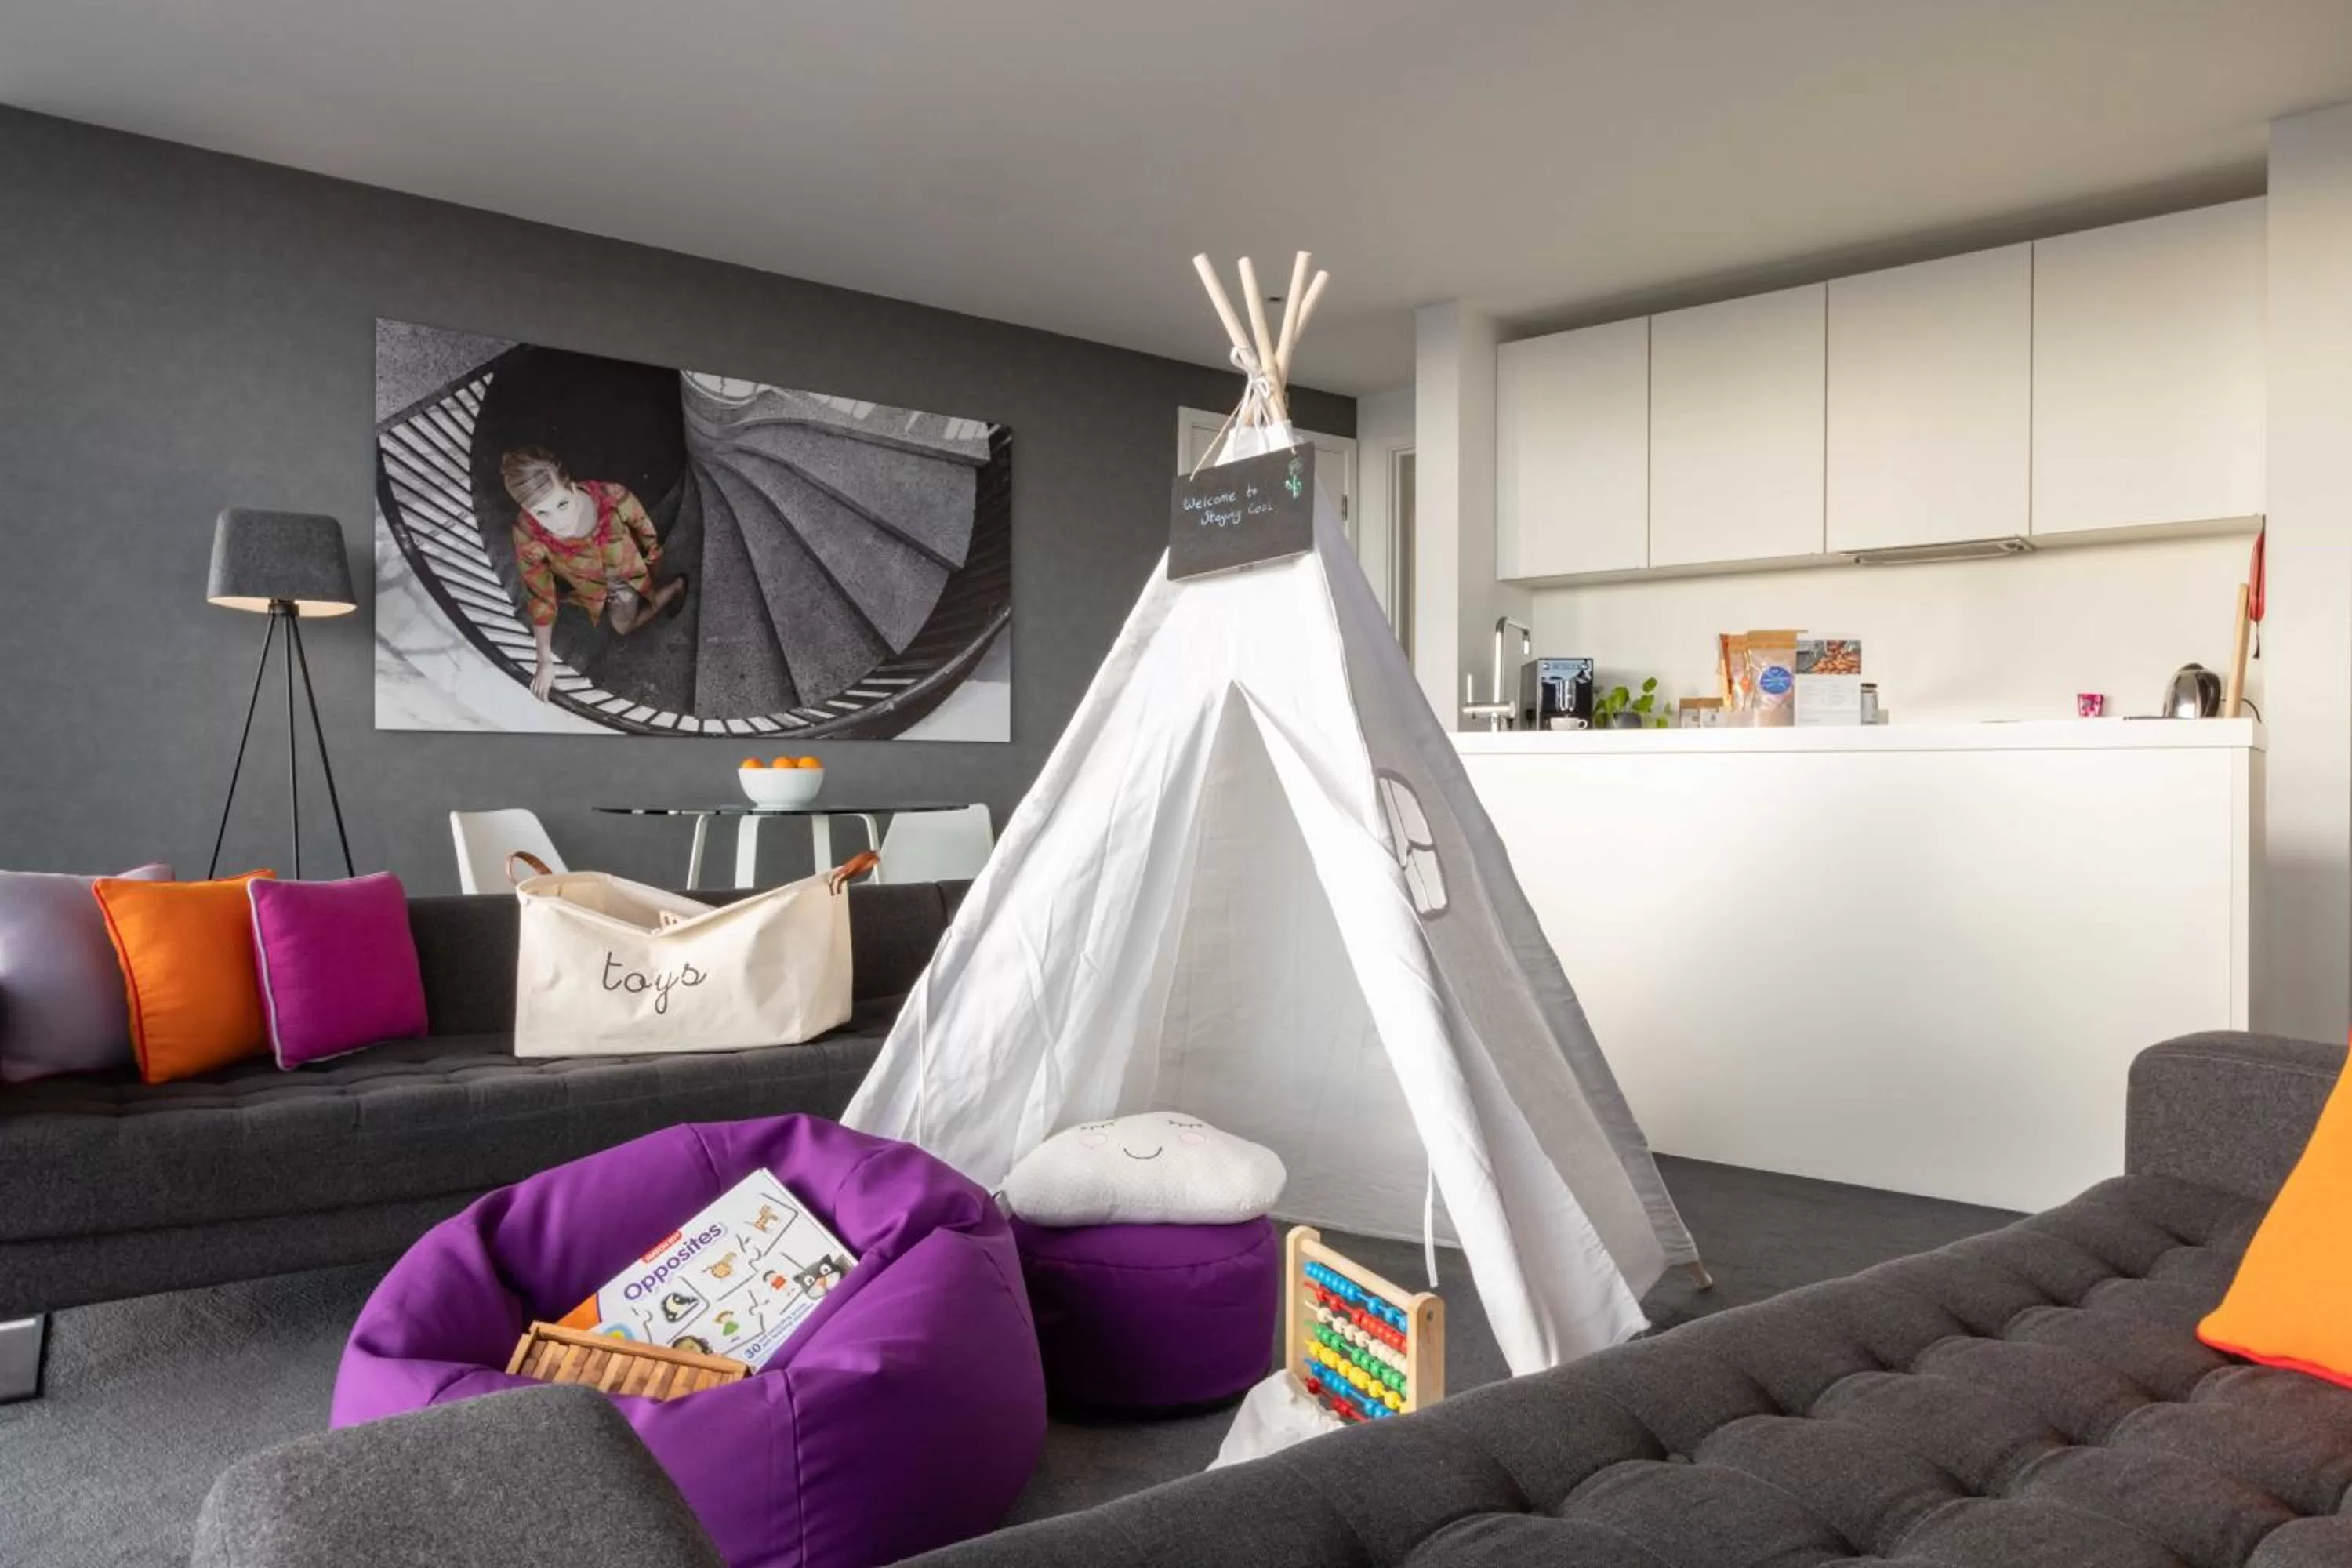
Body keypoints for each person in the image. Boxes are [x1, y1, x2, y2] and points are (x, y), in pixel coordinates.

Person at [501, 446, 688, 701]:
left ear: (571, 487)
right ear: (527, 509)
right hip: (589, 586)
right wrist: (544, 659)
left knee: (624, 628)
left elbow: (643, 527)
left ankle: (675, 587)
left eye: (562, 504)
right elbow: (540, 594)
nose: (558, 522)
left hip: (625, 576)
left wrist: (653, 561)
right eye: (541, 513)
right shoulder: (528, 533)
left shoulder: (613, 496)